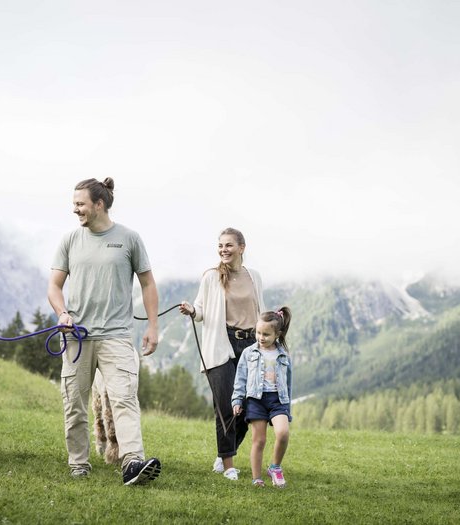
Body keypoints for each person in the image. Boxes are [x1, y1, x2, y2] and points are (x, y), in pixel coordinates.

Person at [47, 177, 161, 485]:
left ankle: (132, 462)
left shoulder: (129, 239)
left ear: (99, 204)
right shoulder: (70, 241)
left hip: (117, 336)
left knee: (124, 399)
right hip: (77, 338)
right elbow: (54, 286)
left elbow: (148, 283)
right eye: (74, 205)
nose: (75, 210)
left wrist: (153, 325)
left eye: (80, 204)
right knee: (74, 402)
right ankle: (79, 463)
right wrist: (62, 313)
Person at [179, 228, 265, 481]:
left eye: (228, 245)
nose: (223, 250)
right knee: (227, 407)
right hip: (221, 344)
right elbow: (202, 310)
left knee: (250, 408)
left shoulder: (255, 277)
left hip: (251, 346)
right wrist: (192, 311)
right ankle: (228, 465)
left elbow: (259, 308)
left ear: (241, 247)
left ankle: (224, 450)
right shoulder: (211, 277)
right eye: (220, 246)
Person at [232, 307, 293, 489]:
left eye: (266, 334)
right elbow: (240, 378)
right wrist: (237, 400)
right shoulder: (249, 353)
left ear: (277, 334)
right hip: (256, 400)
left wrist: (287, 408)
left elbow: (289, 383)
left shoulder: (283, 355)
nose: (261, 337)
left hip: (277, 401)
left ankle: (275, 467)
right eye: (258, 333)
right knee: (259, 440)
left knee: (283, 433)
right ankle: (257, 478)